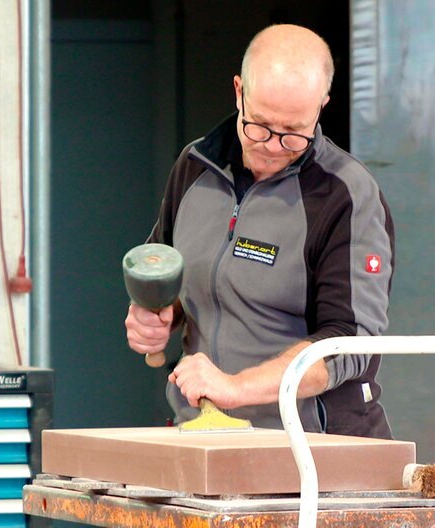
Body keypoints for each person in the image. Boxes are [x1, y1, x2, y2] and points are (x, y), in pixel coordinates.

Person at [125, 24, 394, 439]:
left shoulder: (346, 195)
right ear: (238, 91)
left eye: (293, 135)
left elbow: (348, 344)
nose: (272, 146)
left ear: (322, 106)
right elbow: (165, 272)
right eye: (260, 126)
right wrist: (157, 315)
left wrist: (236, 388)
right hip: (205, 436)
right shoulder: (195, 167)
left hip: (315, 449)